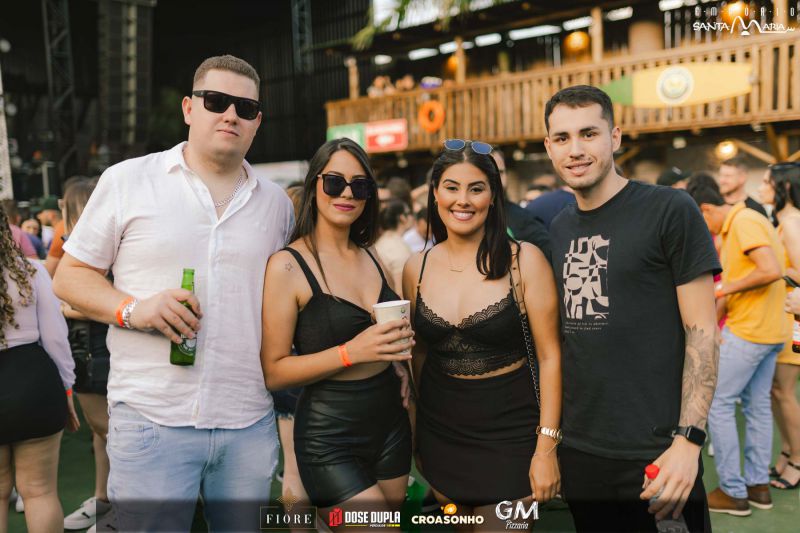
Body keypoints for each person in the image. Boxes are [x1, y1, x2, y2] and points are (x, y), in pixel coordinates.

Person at [52, 54, 294, 531]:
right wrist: (133, 309)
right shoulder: (128, 180)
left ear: (257, 121)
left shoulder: (276, 204)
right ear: (189, 108)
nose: (231, 115)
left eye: (245, 108)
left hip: (247, 421)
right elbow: (70, 276)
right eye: (216, 101)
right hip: (152, 417)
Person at [545, 86, 720, 532]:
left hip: (658, 452)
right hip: (582, 453)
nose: (575, 149)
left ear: (615, 137)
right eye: (562, 138)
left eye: (588, 133)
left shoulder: (669, 209)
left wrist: (689, 441)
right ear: (549, 147)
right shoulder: (559, 227)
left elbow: (703, 331)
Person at [403, 139, 561, 529]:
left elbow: (550, 357)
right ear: (435, 193)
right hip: (442, 436)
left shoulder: (525, 260)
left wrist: (546, 447)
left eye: (476, 188)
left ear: (493, 197)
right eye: (452, 187)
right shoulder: (415, 268)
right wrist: (419, 432)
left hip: (513, 437)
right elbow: (419, 354)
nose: (463, 200)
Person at [261, 138, 413, 526]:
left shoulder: (373, 255)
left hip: (390, 422)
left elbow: (383, 336)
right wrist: (351, 352)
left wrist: (397, 364)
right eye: (334, 182)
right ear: (314, 185)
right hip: (329, 434)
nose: (347, 193)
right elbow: (274, 371)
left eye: (359, 186)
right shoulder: (288, 266)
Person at [687, 177, 786, 515]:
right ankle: (758, 487)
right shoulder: (748, 219)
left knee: (718, 403)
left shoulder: (742, 221)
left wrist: (721, 289)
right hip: (770, 331)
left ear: (706, 210)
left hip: (750, 332)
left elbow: (770, 270)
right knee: (757, 408)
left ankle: (732, 491)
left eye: (700, 222)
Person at [0, 201, 79, 533]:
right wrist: (67, 390)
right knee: (39, 492)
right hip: (34, 384)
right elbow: (56, 338)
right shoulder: (31, 271)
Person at [56, 177, 117, 532]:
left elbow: (105, 302)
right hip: (86, 350)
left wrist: (65, 307)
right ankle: (103, 499)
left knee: (111, 432)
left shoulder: (102, 246)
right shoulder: (76, 245)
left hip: (100, 351)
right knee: (102, 433)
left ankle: (122, 510)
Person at [756, 161, 800, 490]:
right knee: (775, 390)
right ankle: (787, 450)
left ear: (784, 187)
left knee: (784, 391)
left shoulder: (792, 222)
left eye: (766, 182)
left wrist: (770, 271)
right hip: (780, 316)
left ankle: (798, 458)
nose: (761, 188)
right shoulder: (781, 221)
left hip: (792, 319)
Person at [490, 149, 551, 258]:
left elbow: (550, 256)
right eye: (488, 173)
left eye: (500, 172)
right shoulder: (459, 218)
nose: (496, 179)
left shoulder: (524, 219)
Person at [376, 199, 414, 291]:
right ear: (402, 218)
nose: (412, 217)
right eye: (409, 213)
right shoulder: (398, 248)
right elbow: (400, 291)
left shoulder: (382, 242)